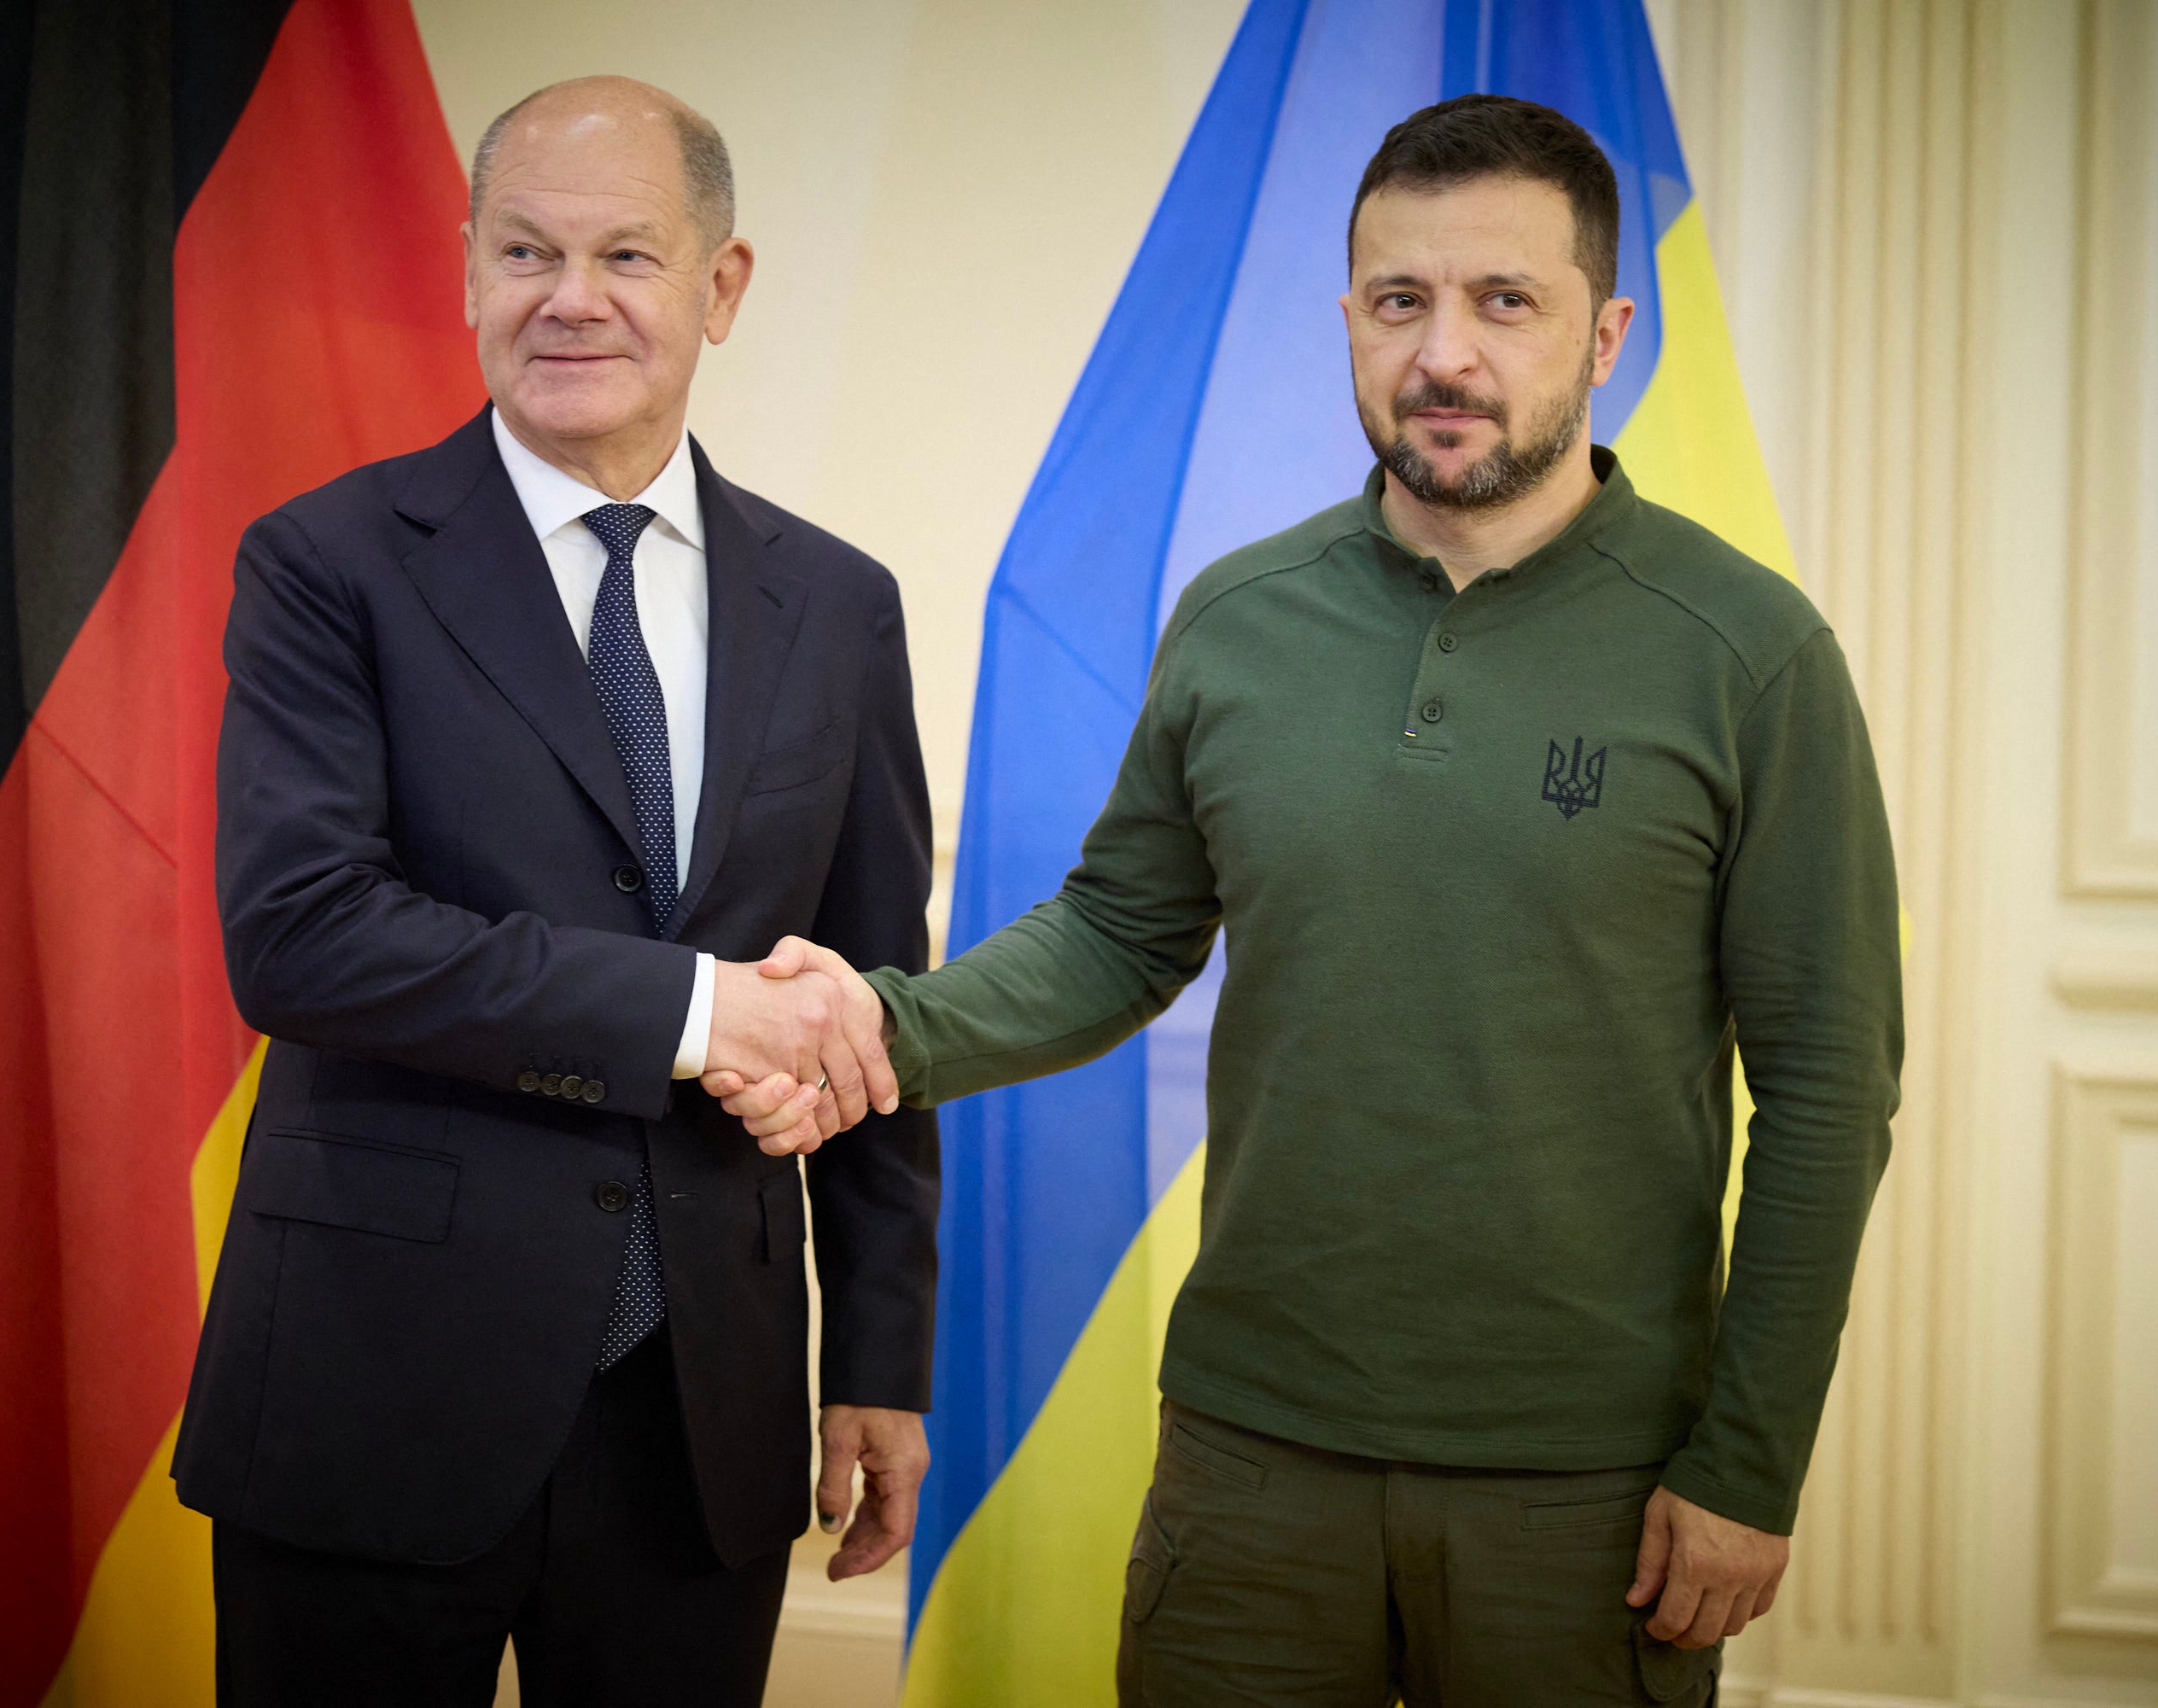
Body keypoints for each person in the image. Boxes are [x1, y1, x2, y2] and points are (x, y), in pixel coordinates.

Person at [713, 94, 1902, 1706]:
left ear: (1606, 331)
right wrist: (883, 1022)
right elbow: (1121, 932)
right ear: (1349, 318)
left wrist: (1749, 1462)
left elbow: (1830, 1087)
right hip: (1246, 1458)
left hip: (1589, 1488)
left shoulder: (1750, 653)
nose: (1446, 356)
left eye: (1506, 302)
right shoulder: (1239, 617)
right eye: (1401, 301)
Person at [173, 77, 925, 1708]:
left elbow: (871, 998)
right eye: (525, 250)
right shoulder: (327, 563)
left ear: (721, 289)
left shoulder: (841, 605)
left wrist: (877, 1359)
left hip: (701, 1419)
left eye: (627, 257)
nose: (568, 299)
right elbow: (301, 933)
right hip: (377, 1394)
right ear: (466, 271)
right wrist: (700, 1008)